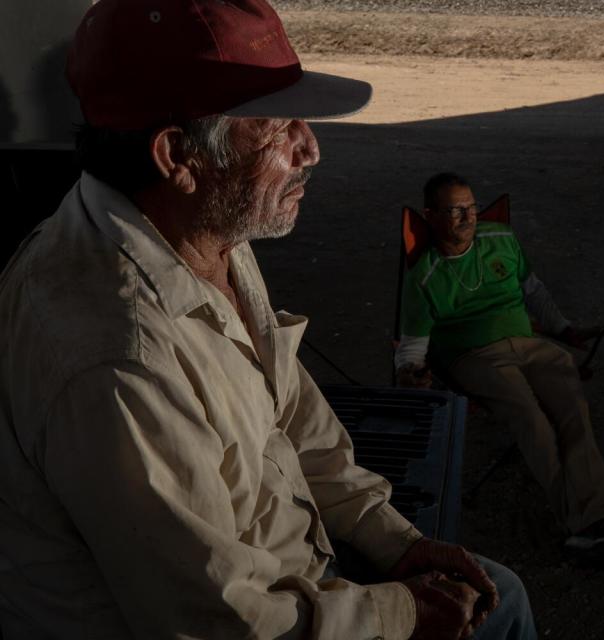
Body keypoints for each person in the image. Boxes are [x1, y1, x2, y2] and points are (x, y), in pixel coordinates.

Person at [0, 2, 536, 639]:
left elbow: (290, 412)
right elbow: (218, 620)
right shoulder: (117, 357)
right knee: (501, 610)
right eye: (278, 127)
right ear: (178, 156)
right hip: (242, 619)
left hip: (293, 577)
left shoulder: (204, 228)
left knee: (499, 592)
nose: (310, 148)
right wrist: (404, 611)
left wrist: (393, 541)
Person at [395, 172, 604, 569]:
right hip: (474, 356)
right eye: (454, 210)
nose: (467, 217)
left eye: (471, 207)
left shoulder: (500, 239)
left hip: (531, 345)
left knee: (572, 413)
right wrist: (410, 372)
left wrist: (565, 330)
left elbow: (533, 290)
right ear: (430, 216)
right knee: (531, 418)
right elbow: (412, 346)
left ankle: (600, 520)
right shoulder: (424, 275)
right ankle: (583, 526)